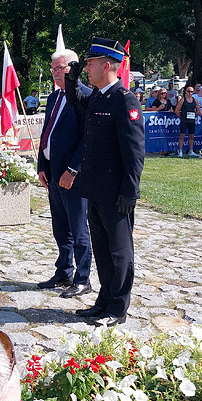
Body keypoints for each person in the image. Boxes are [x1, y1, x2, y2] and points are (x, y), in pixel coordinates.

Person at [64, 38, 145, 327]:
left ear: (106, 65)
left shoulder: (124, 100)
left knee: (120, 252)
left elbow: (134, 152)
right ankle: (103, 301)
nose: (86, 68)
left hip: (116, 193)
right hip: (95, 190)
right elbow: (75, 101)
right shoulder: (98, 97)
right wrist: (70, 81)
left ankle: (118, 308)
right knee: (101, 248)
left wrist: (129, 192)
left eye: (90, 63)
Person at [36, 49, 93, 298]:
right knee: (60, 226)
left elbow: (86, 139)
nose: (55, 73)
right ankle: (63, 270)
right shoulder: (53, 98)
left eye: (59, 68)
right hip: (52, 172)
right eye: (52, 69)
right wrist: (41, 164)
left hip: (72, 176)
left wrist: (72, 170)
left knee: (78, 227)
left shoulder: (84, 97)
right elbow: (46, 133)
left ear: (73, 68)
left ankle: (83, 278)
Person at [175, 85, 201, 157]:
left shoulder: (195, 100)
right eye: (188, 91)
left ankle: (191, 150)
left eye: (191, 92)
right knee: (182, 135)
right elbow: (177, 110)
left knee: (191, 136)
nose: (190, 93)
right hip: (184, 120)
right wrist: (182, 116)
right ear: (186, 92)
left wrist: (195, 115)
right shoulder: (183, 100)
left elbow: (198, 109)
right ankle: (180, 151)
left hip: (192, 120)